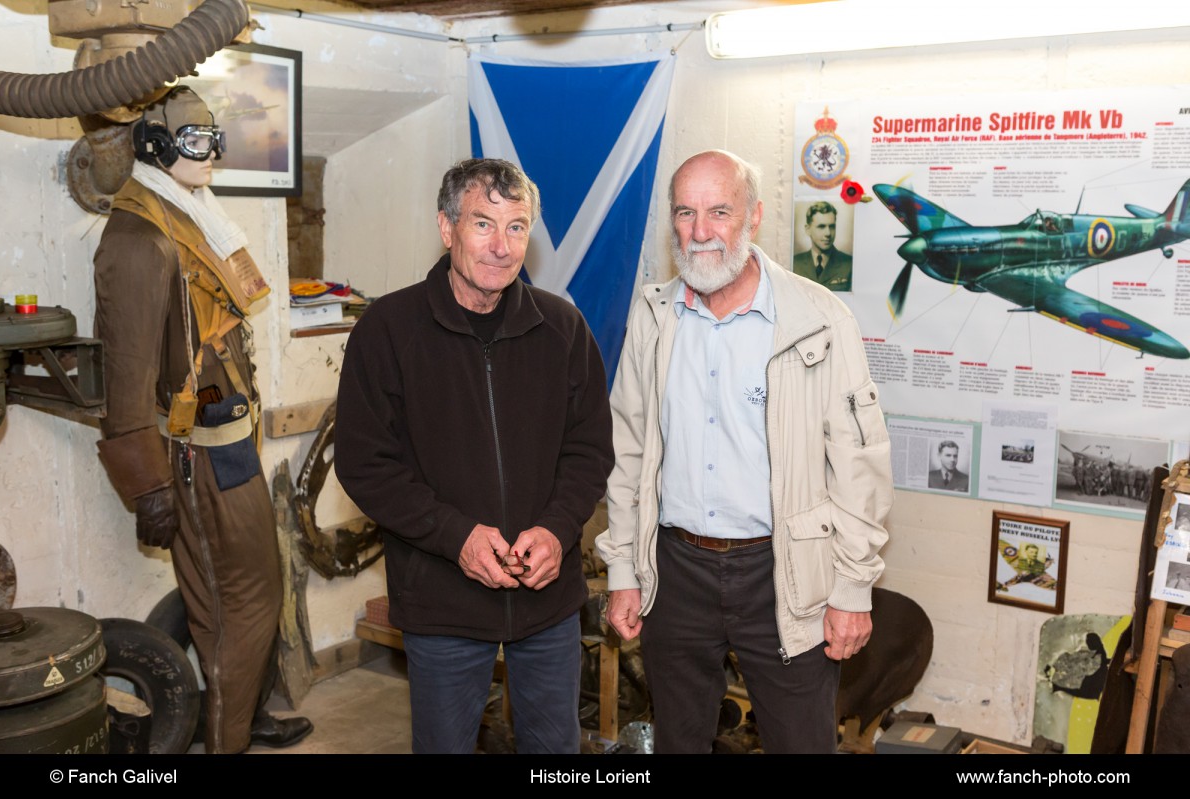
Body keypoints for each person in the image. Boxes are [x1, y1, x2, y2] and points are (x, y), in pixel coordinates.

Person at [597, 150, 892, 753]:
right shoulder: (653, 318)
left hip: (782, 572)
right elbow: (626, 454)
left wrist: (853, 589)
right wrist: (625, 571)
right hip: (674, 570)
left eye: (719, 211)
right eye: (685, 212)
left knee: (802, 744)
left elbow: (861, 466)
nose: (700, 231)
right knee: (679, 743)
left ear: (754, 217)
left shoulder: (818, 320)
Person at [334, 158, 613, 754]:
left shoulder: (562, 328)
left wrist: (558, 530)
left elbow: (589, 449)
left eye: (517, 227)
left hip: (547, 597)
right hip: (443, 600)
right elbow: (364, 463)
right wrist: (454, 535)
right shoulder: (388, 329)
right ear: (446, 227)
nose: (502, 246)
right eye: (483, 224)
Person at [93, 87, 311, 753]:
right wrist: (147, 487)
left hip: (229, 439)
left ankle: (242, 717)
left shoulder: (189, 216)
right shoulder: (139, 238)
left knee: (253, 593)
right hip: (195, 456)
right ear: (156, 148)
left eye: (214, 138)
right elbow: (126, 374)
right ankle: (228, 740)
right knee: (237, 602)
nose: (210, 153)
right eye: (194, 141)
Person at [792, 200, 852, 291]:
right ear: (808, 229)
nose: (828, 233)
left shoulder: (849, 264)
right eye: (821, 227)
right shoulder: (795, 263)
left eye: (832, 227)